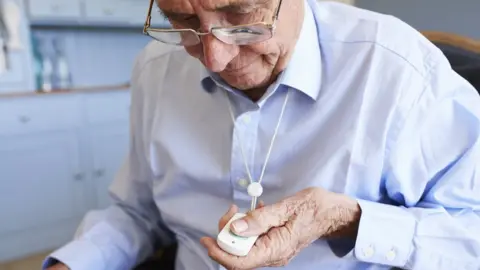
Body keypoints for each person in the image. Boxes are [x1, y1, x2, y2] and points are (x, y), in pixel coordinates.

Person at [44, 0, 480, 269]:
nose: (214, 58)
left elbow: (471, 237)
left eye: (240, 15)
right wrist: (71, 264)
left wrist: (348, 221)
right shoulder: (155, 68)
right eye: (181, 19)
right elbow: (138, 213)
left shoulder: (399, 71)